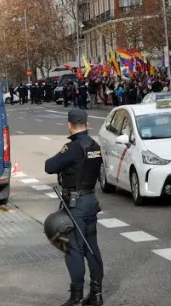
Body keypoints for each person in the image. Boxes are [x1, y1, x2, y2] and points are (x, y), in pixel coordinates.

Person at [44, 109, 105, 306]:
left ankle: (76, 297)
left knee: (74, 250)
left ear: (70, 125)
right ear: (86, 124)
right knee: (91, 247)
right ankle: (96, 294)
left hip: (76, 204)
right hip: (90, 201)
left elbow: (50, 166)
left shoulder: (73, 148)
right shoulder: (94, 146)